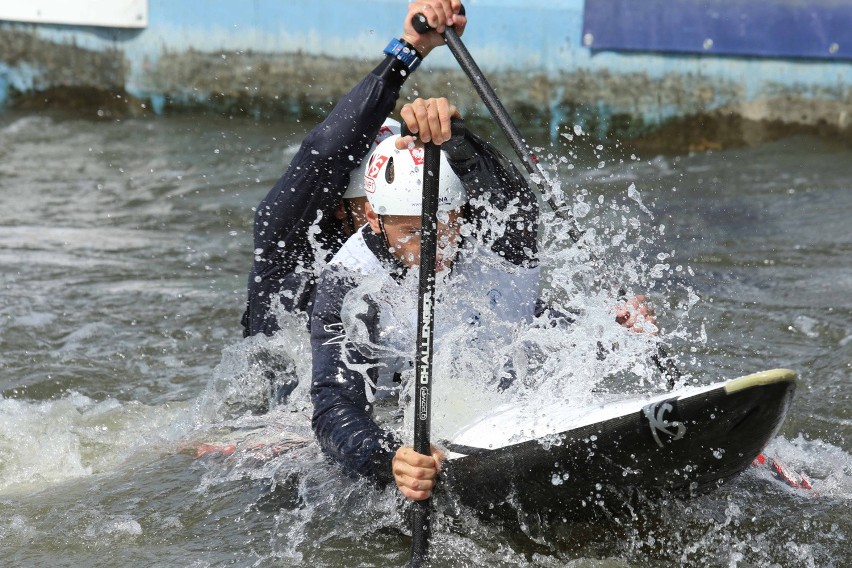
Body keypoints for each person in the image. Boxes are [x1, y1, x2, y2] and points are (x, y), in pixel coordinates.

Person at [310, 97, 542, 501]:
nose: (433, 247)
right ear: (373, 218)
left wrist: (460, 138)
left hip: (515, 388)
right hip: (402, 408)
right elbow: (333, 403)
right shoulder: (348, 281)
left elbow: (512, 195)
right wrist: (388, 460)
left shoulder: (502, 237)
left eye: (442, 226)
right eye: (412, 232)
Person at [242, 0, 467, 338]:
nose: (418, 220)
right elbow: (326, 151)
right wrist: (410, 48)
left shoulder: (422, 239)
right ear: (337, 207)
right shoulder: (286, 245)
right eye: (378, 203)